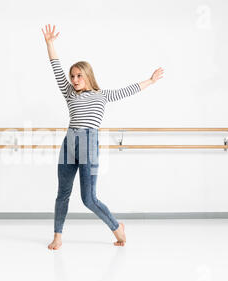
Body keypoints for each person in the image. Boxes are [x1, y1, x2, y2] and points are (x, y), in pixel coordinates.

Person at [42, 24, 164, 250]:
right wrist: (50, 43)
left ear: (87, 76)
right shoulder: (69, 93)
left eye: (79, 75)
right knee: (63, 194)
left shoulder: (102, 95)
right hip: (69, 143)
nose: (74, 79)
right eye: (72, 76)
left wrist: (151, 80)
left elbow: (129, 90)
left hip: (89, 144)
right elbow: (56, 68)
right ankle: (58, 236)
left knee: (89, 199)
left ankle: (117, 227)